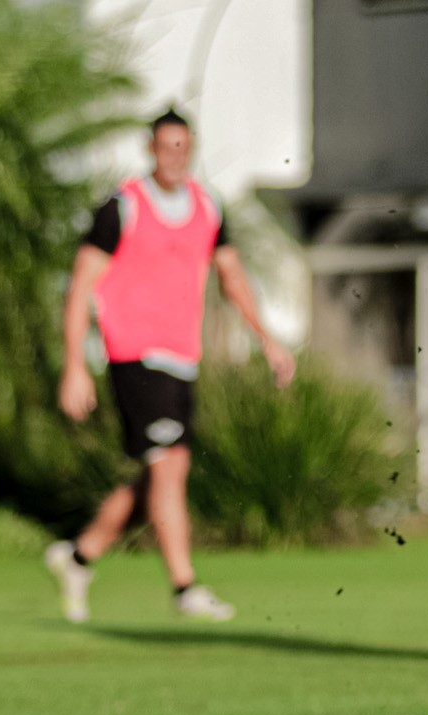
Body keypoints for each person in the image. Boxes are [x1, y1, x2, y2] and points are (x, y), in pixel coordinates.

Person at [45, 108, 297, 623]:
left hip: (184, 357)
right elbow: (79, 287)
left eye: (183, 146)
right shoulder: (122, 208)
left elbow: (232, 277)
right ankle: (185, 588)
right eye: (165, 146)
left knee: (157, 476)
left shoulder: (208, 207)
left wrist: (267, 339)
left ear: (192, 148)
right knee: (170, 467)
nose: (174, 156)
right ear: (151, 149)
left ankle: (78, 556)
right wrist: (74, 364)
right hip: (133, 355)